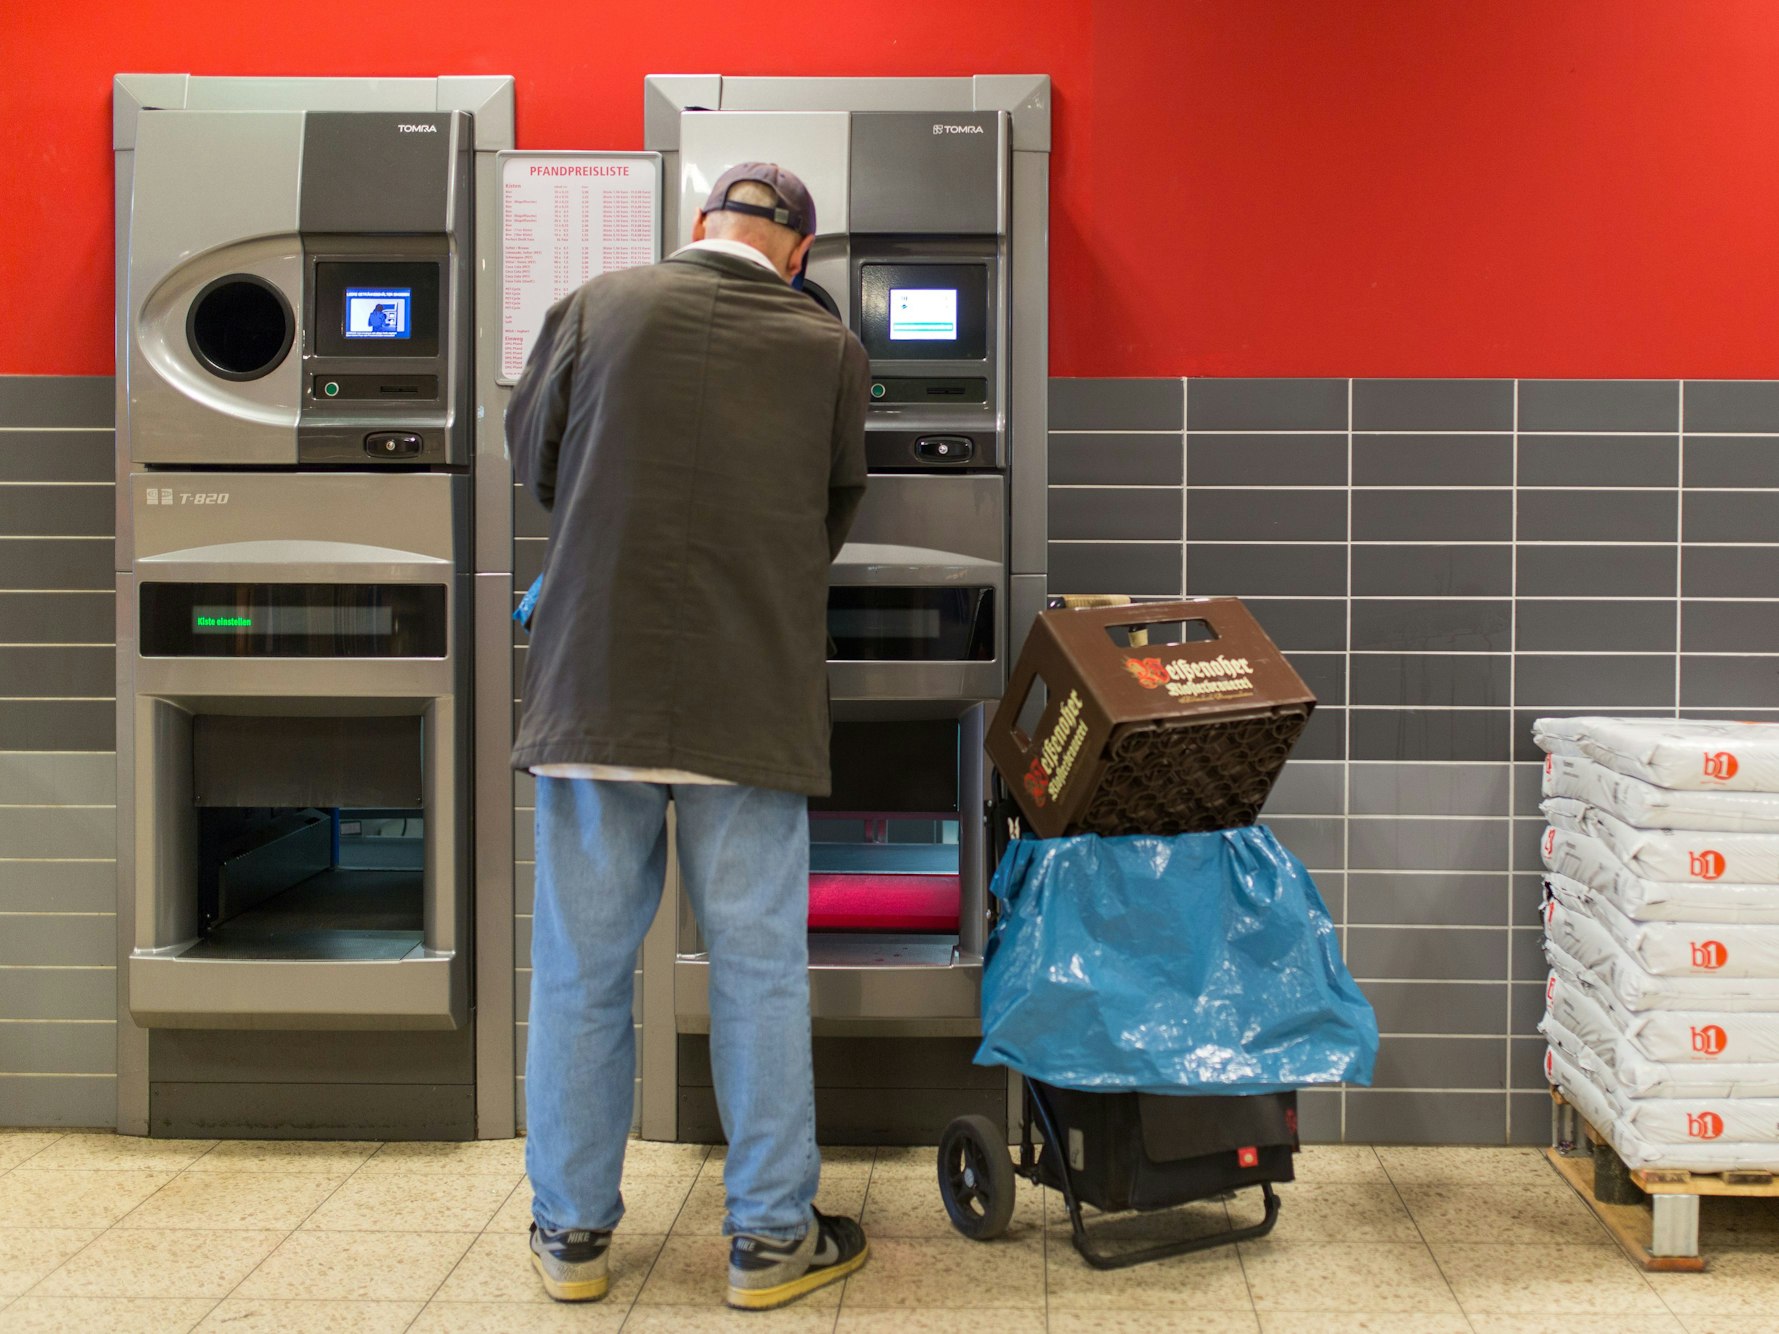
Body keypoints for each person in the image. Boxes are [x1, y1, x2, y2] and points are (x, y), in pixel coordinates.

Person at [506, 163, 871, 1311]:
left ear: (697, 227)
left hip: (595, 692)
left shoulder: (596, 304)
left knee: (580, 969)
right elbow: (831, 513)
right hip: (747, 699)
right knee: (759, 972)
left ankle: (571, 1237)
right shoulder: (831, 352)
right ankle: (769, 1240)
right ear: (799, 252)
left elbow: (538, 465)